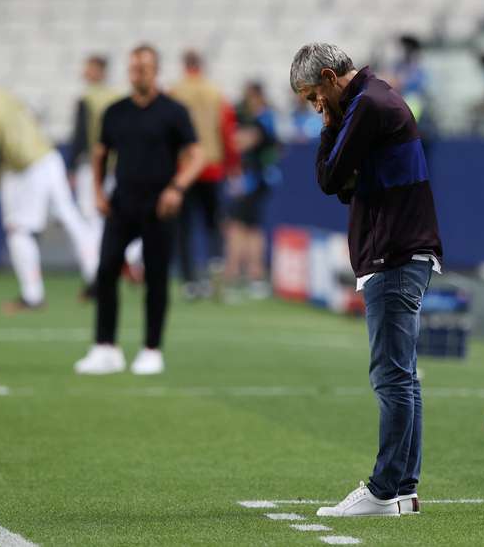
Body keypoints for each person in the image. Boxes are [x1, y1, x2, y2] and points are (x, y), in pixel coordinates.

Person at [290, 43, 442, 516]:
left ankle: (383, 490)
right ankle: (402, 490)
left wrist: (329, 127)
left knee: (391, 376)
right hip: (402, 250)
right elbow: (339, 182)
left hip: (394, 253)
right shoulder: (375, 98)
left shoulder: (367, 104)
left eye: (316, 96)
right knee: (402, 376)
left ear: (332, 76)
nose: (318, 108)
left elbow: (330, 177)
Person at [74, 44, 204, 376]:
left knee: (156, 278)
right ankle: (105, 347)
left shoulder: (173, 111)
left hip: (159, 206)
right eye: (133, 68)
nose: (138, 73)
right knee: (105, 270)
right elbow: (101, 152)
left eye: (144, 67)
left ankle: (151, 349)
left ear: (155, 70)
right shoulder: (115, 111)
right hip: (122, 203)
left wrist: (177, 187)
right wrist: (98, 193)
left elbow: (196, 155)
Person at [0, 66, 99, 313]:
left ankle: (33, 295)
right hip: (47, 155)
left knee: (19, 230)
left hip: (23, 168)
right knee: (72, 219)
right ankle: (97, 279)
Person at [169, 50, 239, 300]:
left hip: (184, 168)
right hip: (211, 166)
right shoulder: (215, 92)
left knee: (184, 226)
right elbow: (227, 131)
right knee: (213, 225)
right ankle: (215, 275)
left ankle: (190, 281)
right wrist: (232, 164)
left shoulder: (175, 92)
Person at [223, 82, 280, 300]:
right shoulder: (261, 118)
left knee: (243, 228)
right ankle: (247, 274)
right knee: (245, 227)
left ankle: (241, 274)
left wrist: (230, 136)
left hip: (254, 182)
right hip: (251, 181)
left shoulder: (262, 118)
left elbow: (241, 142)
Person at [66, 55, 123, 255]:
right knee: (114, 214)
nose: (85, 72)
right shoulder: (116, 97)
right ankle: (128, 258)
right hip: (116, 165)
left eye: (89, 68)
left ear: (99, 71)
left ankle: (97, 266)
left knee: (90, 216)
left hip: (93, 165)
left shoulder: (87, 98)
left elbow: (80, 135)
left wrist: (71, 167)